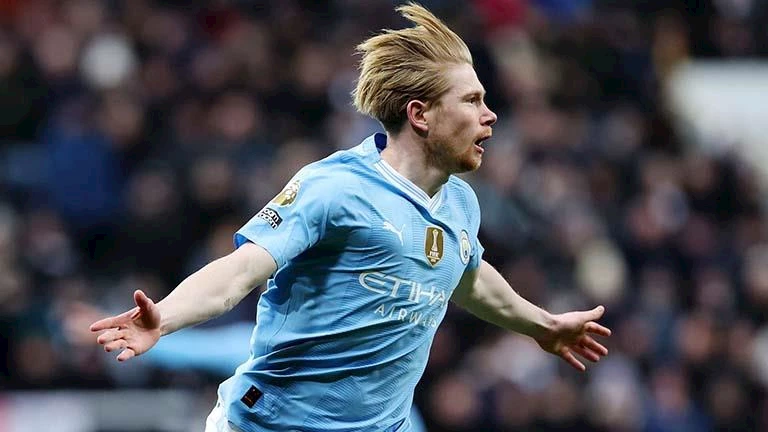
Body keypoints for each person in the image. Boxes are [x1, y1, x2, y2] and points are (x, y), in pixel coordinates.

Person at [90, 3, 612, 431]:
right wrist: (166, 317)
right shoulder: (335, 188)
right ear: (420, 114)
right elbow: (240, 271)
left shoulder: (460, 203)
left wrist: (542, 325)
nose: (489, 114)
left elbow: (467, 275)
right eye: (472, 100)